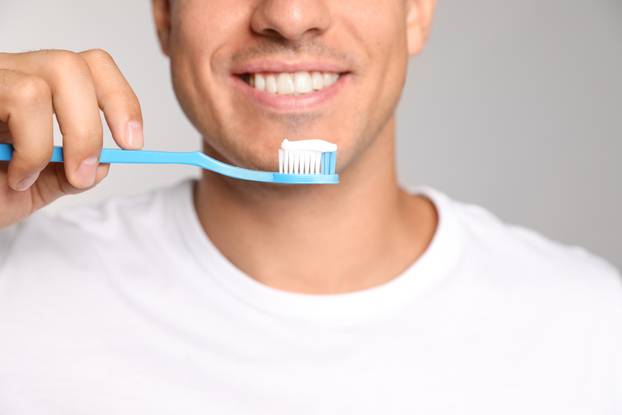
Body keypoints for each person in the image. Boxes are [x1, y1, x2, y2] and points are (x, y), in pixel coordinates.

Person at [0, 0, 620, 413]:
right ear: (165, 15)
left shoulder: (594, 333)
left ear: (416, 10)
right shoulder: (14, 293)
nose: (290, 16)